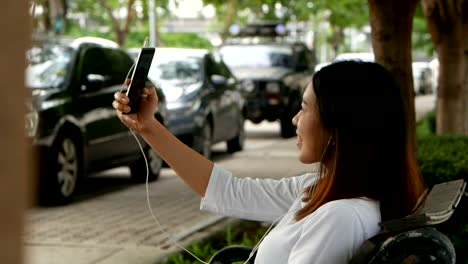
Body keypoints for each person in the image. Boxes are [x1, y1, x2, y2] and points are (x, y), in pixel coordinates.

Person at [112, 60, 426, 263]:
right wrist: (149, 127)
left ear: (338, 127)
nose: (295, 119)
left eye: (304, 108)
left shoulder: (339, 217)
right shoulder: (321, 191)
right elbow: (228, 191)